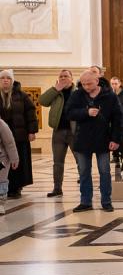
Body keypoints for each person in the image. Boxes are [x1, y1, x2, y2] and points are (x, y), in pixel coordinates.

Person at [66, 70, 123, 212]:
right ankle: (85, 201)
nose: (86, 87)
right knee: (84, 172)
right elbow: (69, 113)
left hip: (103, 138)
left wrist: (115, 139)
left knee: (105, 171)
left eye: (89, 84)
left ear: (97, 81)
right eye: (83, 84)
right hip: (82, 139)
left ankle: (106, 201)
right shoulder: (77, 95)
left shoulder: (109, 96)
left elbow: (118, 118)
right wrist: (86, 112)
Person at [38, 69, 77, 198]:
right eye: (61, 76)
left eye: (66, 76)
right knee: (58, 162)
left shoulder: (77, 92)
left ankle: (85, 186)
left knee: (80, 160)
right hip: (58, 132)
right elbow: (42, 101)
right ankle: (57, 188)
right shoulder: (55, 92)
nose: (63, 78)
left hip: (74, 132)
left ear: (71, 78)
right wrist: (55, 89)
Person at [0, 69, 37, 199]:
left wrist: (32, 131)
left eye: (8, 78)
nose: (5, 80)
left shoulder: (22, 95)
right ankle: (4, 186)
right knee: (3, 161)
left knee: (18, 162)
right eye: (2, 78)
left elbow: (31, 112)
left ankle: (16, 188)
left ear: (12, 81)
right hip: (2, 135)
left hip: (19, 134)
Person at [109, 76, 123, 170]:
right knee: (115, 142)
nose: (114, 85)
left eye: (116, 84)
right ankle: (116, 160)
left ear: (120, 84)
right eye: (112, 84)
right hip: (114, 122)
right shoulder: (110, 94)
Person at [0, 118, 17, 215]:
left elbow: (10, 143)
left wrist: (14, 159)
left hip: (1, 159)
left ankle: (0, 202)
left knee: (1, 180)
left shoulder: (2, 125)